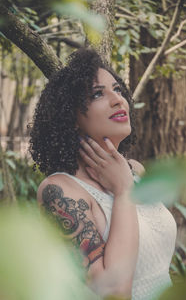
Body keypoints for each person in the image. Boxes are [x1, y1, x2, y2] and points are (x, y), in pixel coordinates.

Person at [29, 48, 177, 300]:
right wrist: (123, 191)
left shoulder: (136, 170)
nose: (118, 99)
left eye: (118, 89)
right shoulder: (60, 192)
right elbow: (113, 293)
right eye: (98, 93)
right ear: (71, 116)